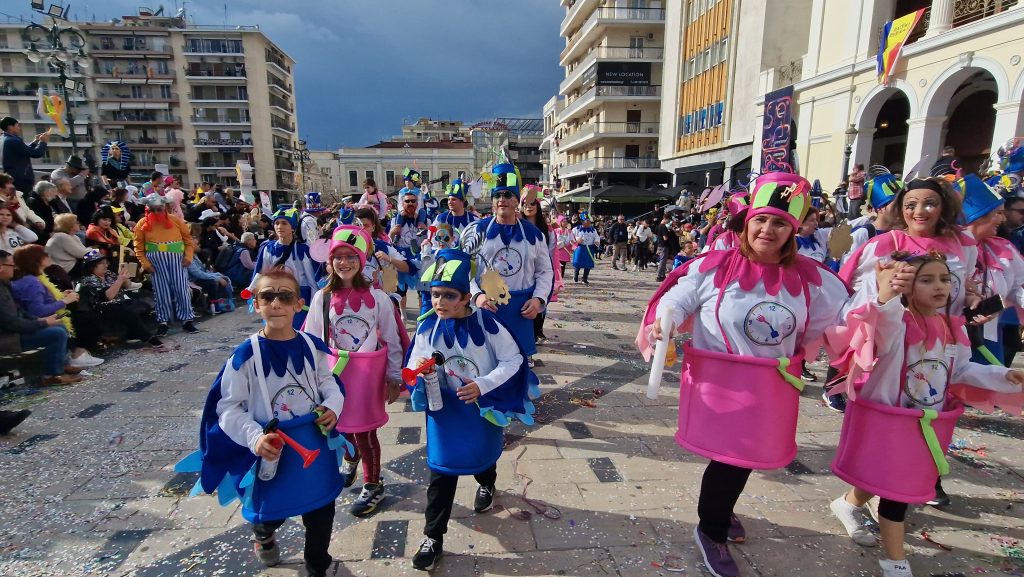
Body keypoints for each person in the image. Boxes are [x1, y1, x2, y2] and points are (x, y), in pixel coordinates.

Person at [638, 172, 853, 577]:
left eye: (779, 223)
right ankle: (711, 529)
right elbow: (678, 299)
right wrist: (664, 322)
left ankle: (722, 511)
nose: (767, 229)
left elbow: (844, 321)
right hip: (720, 387)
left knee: (745, 460)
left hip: (772, 389)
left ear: (793, 229)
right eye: (761, 220)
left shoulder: (813, 279)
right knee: (729, 462)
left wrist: (888, 301)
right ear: (746, 222)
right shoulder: (713, 268)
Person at [824, 252, 1024, 577]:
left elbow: (959, 370)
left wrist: (1003, 376)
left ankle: (847, 504)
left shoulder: (949, 326)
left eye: (944, 279)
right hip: (891, 422)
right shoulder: (898, 323)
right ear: (906, 287)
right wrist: (886, 293)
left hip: (925, 423)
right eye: (926, 280)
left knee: (888, 479)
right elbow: (882, 322)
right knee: (896, 494)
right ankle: (895, 562)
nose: (939, 286)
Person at [174, 269, 345, 577]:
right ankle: (264, 533)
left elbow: (327, 382)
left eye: (285, 296)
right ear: (256, 303)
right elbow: (228, 407)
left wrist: (332, 405)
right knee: (271, 509)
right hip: (273, 448)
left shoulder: (311, 345)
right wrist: (255, 438)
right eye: (267, 296)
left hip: (311, 440)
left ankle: (317, 565)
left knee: (321, 507)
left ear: (298, 304)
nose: (276, 303)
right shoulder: (246, 355)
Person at [839, 176, 977, 506]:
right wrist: (888, 293)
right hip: (893, 344)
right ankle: (871, 496)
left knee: (930, 408)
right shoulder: (884, 244)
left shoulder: (964, 246)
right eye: (911, 204)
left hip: (942, 342)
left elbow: (960, 290)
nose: (920, 211)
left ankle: (912, 481)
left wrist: (971, 305)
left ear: (943, 206)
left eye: (929, 203)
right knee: (891, 421)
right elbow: (860, 294)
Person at [407, 248, 538, 571]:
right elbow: (413, 361)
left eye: (448, 295)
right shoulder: (429, 328)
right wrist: (420, 372)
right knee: (442, 472)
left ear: (466, 296)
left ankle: (487, 482)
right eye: (435, 295)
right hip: (444, 412)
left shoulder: (488, 324)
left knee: (482, 459)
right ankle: (433, 537)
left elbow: (514, 359)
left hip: (479, 410)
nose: (439, 302)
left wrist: (483, 384)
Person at [303, 225, 406, 517]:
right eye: (339, 256)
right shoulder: (321, 298)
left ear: (362, 260)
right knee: (339, 425)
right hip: (335, 376)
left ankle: (373, 483)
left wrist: (394, 377)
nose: (344, 262)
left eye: (351, 256)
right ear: (330, 261)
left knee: (366, 433)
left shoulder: (380, 299)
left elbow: (392, 338)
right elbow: (311, 339)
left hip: (366, 378)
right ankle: (350, 460)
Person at [460, 163, 553, 368]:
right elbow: (465, 270)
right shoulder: (477, 231)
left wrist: (538, 300)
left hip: (520, 311)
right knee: (486, 364)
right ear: (493, 201)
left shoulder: (534, 234)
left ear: (516, 201)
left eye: (507, 195)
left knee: (519, 366)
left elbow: (545, 271)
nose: (502, 200)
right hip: (487, 308)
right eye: (498, 195)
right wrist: (477, 295)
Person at [10, 244, 103, 367]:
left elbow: (42, 300)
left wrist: (61, 296)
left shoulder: (35, 277)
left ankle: (75, 353)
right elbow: (38, 311)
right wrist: (64, 301)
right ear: (37, 260)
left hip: (42, 317)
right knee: (85, 317)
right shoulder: (31, 282)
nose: (49, 256)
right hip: (35, 322)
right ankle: (75, 355)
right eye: (45, 254)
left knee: (87, 314)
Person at [0, 249, 80, 385]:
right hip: (8, 338)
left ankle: (59, 366)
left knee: (59, 327)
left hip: (15, 331)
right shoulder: (29, 282)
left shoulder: (6, 284)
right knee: (57, 332)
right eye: (11, 265)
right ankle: (52, 375)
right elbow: (13, 321)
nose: (14, 268)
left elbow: (21, 312)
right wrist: (43, 321)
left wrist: (41, 320)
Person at [247, 206, 323, 330]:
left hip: (299, 295)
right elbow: (262, 273)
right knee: (275, 329)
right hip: (274, 294)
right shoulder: (268, 248)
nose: (279, 227)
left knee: (298, 330)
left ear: (292, 227)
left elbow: (312, 276)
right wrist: (254, 291)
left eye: (284, 223)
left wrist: (316, 300)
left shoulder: (302, 250)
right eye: (276, 223)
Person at [133, 193, 199, 336]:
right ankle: (163, 322)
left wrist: (188, 256)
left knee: (181, 289)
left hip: (177, 261)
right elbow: (138, 246)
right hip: (156, 264)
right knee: (161, 291)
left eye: (160, 209)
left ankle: (187, 320)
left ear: (165, 208)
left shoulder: (176, 221)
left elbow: (188, 240)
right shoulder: (142, 224)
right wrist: (145, 264)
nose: (157, 212)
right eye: (153, 209)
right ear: (148, 209)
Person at [76, 249, 162, 348]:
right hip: (103, 307)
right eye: (101, 263)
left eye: (106, 263)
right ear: (92, 266)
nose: (106, 265)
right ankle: (149, 338)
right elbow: (108, 296)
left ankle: (132, 335)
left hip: (120, 302)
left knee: (144, 304)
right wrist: (119, 280)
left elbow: (128, 286)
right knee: (127, 312)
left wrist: (125, 279)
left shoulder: (108, 274)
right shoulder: (88, 280)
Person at [520, 186, 556, 344]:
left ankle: (537, 330)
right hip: (522, 271)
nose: (529, 206)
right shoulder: (516, 225)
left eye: (532, 203)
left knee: (540, 300)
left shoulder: (546, 230)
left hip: (541, 269)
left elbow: (550, 250)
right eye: (525, 203)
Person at [389, 188, 428, 314]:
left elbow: (433, 240)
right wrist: (391, 233)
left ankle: (422, 314)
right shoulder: (396, 221)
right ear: (403, 203)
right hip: (402, 257)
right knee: (401, 289)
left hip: (419, 258)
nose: (410, 204)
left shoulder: (424, 220)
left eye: (413, 201)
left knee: (422, 290)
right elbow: (388, 240)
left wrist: (427, 231)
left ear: (417, 203)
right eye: (407, 201)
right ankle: (403, 316)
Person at [0, 117, 49, 194]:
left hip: (12, 176)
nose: (19, 128)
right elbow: (36, 153)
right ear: (10, 127)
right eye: (17, 125)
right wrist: (43, 142)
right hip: (21, 179)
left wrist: (35, 142)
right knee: (24, 202)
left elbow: (24, 151)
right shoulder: (13, 140)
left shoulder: (4, 139)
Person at [432, 178, 479, 245]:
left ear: (462, 201)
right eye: (448, 199)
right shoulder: (441, 218)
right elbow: (432, 238)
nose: (450, 202)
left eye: (453, 199)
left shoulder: (474, 220)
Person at [572, 214, 600, 284]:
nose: (588, 222)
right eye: (586, 221)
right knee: (578, 262)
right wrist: (577, 239)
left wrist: (596, 241)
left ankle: (584, 278)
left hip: (589, 248)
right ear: (582, 221)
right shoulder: (576, 229)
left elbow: (596, 237)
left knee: (588, 264)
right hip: (580, 248)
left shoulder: (593, 230)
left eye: (589, 221)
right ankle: (576, 274)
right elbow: (572, 236)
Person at [656, 215, 681, 281]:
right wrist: (669, 234)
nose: (668, 222)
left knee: (663, 261)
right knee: (663, 261)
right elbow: (665, 238)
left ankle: (662, 275)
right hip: (664, 245)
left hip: (660, 245)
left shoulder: (659, 226)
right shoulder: (663, 226)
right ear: (665, 219)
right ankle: (659, 275)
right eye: (668, 220)